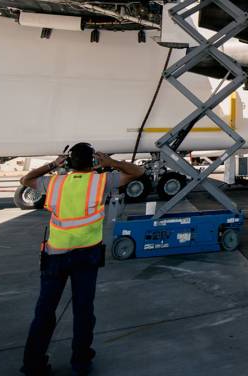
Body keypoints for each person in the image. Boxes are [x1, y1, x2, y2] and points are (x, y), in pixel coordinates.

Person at [19, 143, 145, 376]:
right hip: (87, 255)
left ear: (68, 162)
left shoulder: (54, 183)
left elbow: (26, 180)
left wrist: (52, 164)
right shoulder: (101, 181)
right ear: (94, 162)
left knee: (45, 311)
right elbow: (138, 172)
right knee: (83, 310)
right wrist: (111, 163)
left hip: (55, 255)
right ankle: (81, 361)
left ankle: (33, 364)